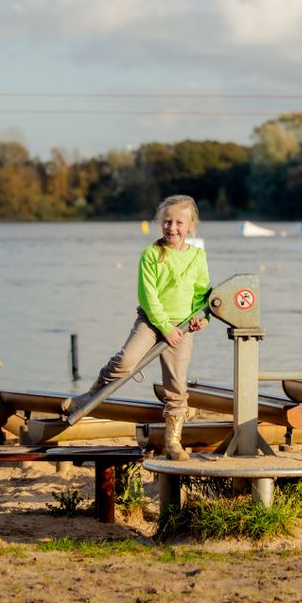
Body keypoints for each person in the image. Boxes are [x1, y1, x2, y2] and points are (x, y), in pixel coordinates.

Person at [88, 194, 210, 461]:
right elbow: (148, 296)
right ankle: (88, 397)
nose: (172, 227)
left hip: (181, 329)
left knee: (176, 386)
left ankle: (173, 442)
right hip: (151, 323)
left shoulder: (198, 257)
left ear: (191, 225)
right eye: (167, 221)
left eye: (179, 222)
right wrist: (164, 327)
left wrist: (200, 318)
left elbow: (202, 295)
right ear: (160, 223)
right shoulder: (151, 254)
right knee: (126, 362)